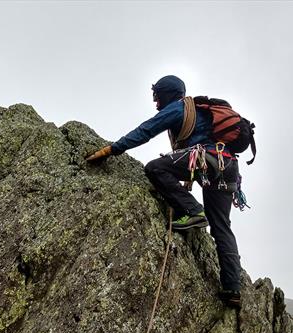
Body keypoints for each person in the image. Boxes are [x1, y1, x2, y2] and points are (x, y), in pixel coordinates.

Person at [86, 75, 241, 307]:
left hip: (205, 159)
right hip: (227, 166)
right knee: (222, 228)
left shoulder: (178, 108)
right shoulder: (201, 111)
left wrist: (112, 149)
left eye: (157, 97)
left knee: (156, 168)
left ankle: (192, 211)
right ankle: (232, 290)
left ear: (167, 94)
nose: (156, 103)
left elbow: (145, 130)